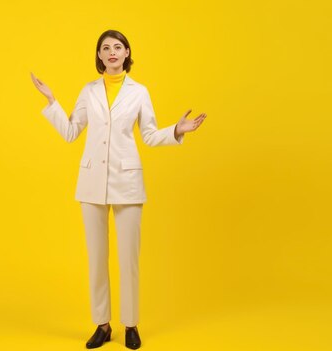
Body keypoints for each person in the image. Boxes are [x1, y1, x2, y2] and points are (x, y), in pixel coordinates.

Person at [30, 29, 206, 349]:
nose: (112, 52)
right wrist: (52, 102)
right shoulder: (88, 91)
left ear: (127, 53)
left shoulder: (140, 92)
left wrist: (177, 130)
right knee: (97, 258)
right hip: (92, 184)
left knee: (129, 259)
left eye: (118, 47)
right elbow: (71, 132)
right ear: (99, 56)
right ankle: (102, 324)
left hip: (127, 183)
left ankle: (131, 324)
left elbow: (150, 135)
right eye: (105, 48)